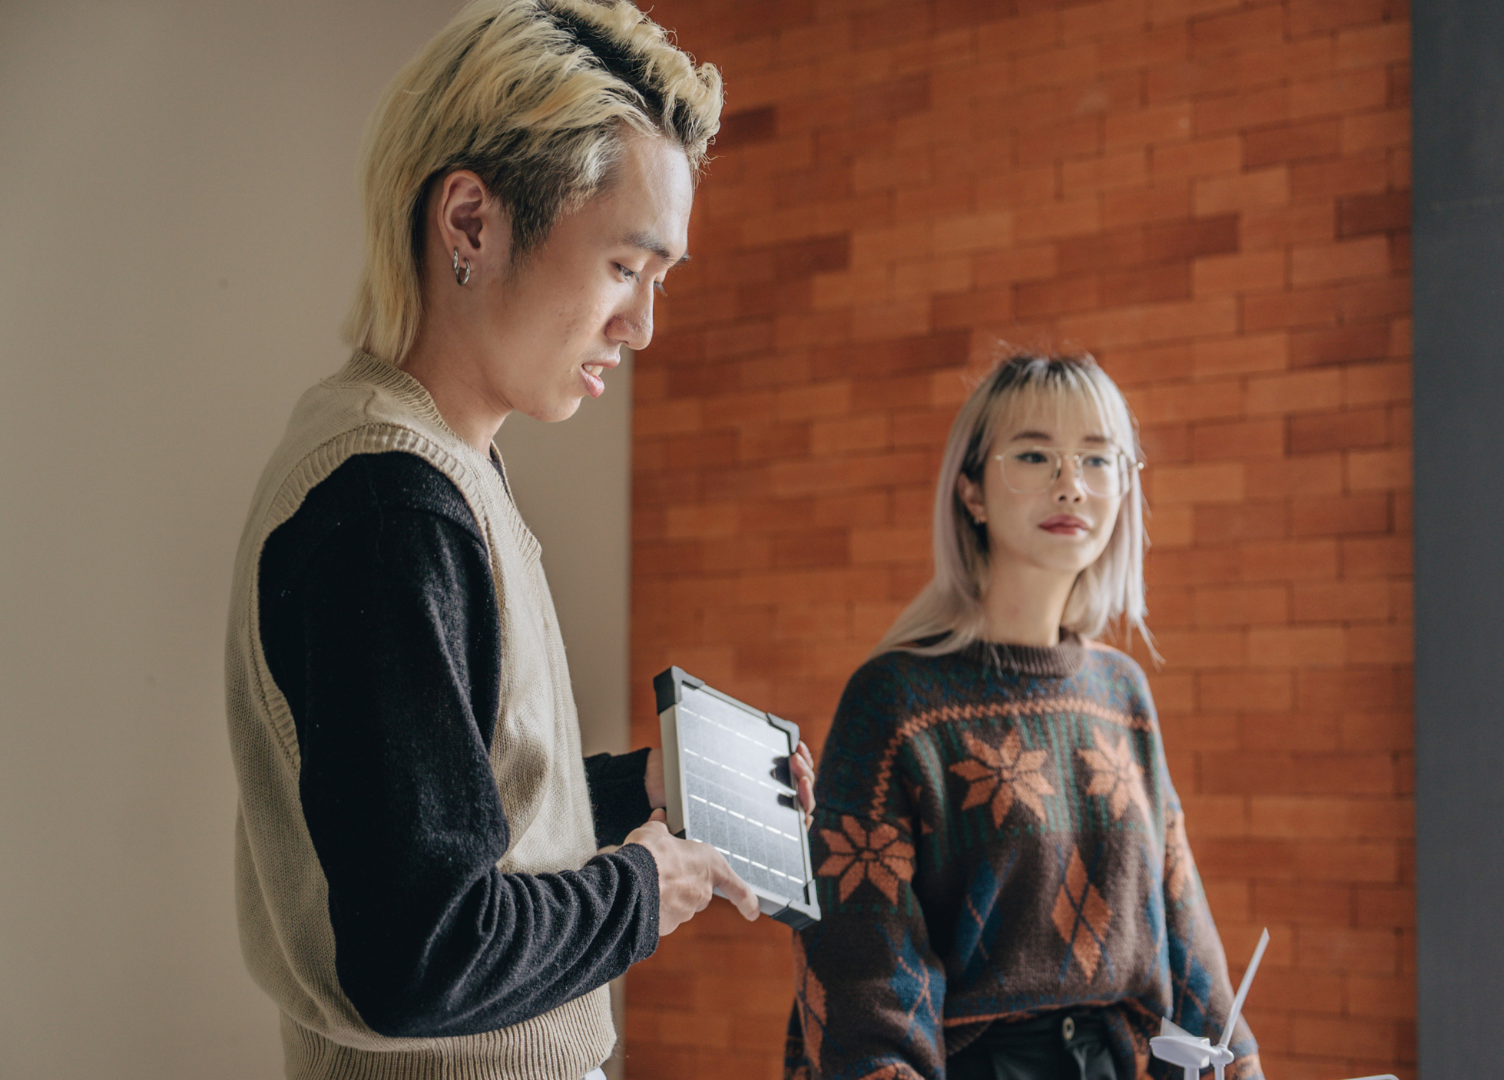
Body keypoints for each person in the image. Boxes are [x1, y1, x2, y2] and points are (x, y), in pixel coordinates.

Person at [222, 2, 813, 1077]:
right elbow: (426, 951)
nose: (642, 328)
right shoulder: (388, 506)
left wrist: (650, 792)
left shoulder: (440, 470)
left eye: (658, 280)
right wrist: (645, 889)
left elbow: (457, 823)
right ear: (470, 224)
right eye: (626, 269)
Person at [784, 354, 1262, 1080]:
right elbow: (865, 970)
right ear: (970, 491)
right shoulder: (894, 700)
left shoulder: (1121, 690)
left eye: (1097, 459)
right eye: (1035, 454)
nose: (1070, 482)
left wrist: (1240, 1060)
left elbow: (1180, 912)